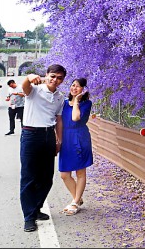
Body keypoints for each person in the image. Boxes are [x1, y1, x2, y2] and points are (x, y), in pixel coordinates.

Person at [19, 64, 67, 232]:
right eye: (53, 76)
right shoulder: (35, 90)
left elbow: (59, 119)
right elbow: (25, 87)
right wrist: (29, 76)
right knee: (29, 176)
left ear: (62, 80)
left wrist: (59, 140)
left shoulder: (60, 97)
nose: (55, 80)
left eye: (59, 78)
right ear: (47, 75)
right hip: (31, 134)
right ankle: (29, 217)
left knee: (47, 177)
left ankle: (36, 208)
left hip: (48, 136)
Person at [59, 77, 93, 215]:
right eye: (73, 85)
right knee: (64, 174)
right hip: (66, 139)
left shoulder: (86, 103)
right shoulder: (64, 103)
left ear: (83, 90)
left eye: (78, 86)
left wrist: (77, 101)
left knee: (80, 172)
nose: (74, 88)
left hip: (79, 138)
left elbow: (75, 118)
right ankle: (77, 199)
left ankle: (75, 201)